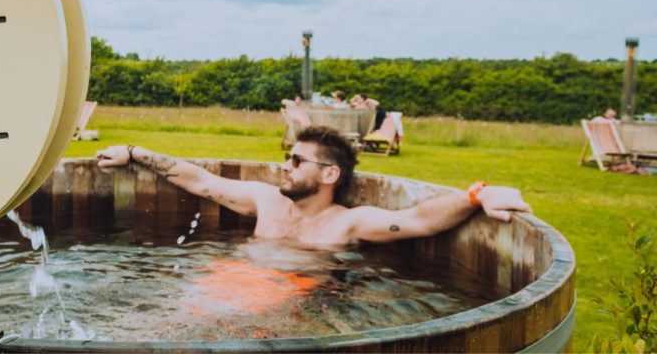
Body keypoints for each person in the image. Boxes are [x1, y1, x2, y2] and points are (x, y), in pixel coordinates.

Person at [96, 126, 531, 248]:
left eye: (296, 160)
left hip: (283, 316)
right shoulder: (266, 201)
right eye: (288, 157)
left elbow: (417, 220)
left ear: (328, 175)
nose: (284, 166)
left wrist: (477, 195)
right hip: (224, 289)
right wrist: (135, 152)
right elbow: (203, 183)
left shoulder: (346, 224)